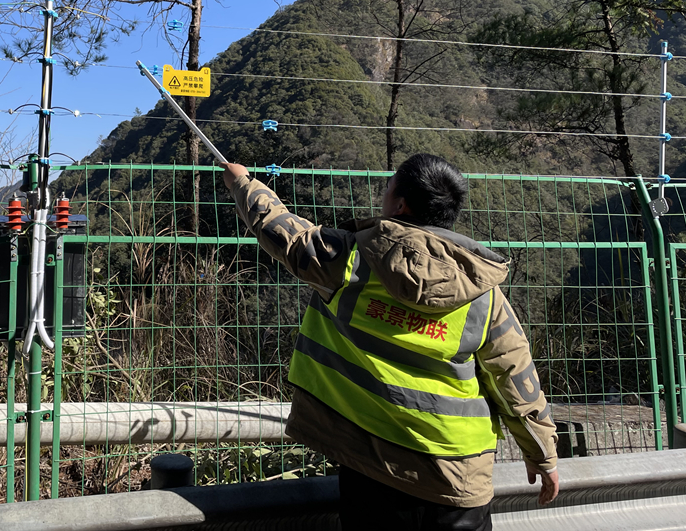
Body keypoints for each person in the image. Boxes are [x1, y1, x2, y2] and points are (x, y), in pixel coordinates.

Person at [222, 154, 559, 531]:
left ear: (400, 203)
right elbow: (516, 379)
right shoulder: (484, 294)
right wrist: (542, 456)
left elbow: (286, 233)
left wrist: (243, 184)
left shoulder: (351, 259)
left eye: (389, 185)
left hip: (375, 467)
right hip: (458, 475)